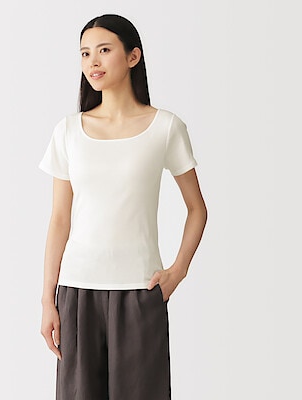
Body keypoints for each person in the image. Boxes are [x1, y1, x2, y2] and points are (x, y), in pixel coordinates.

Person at [39, 14, 207, 400]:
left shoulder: (166, 127)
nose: (92, 62)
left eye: (103, 50)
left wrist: (178, 270)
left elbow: (197, 208)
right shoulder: (68, 131)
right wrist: (48, 300)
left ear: (133, 57)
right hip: (77, 291)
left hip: (139, 290)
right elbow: (59, 220)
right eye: (85, 53)